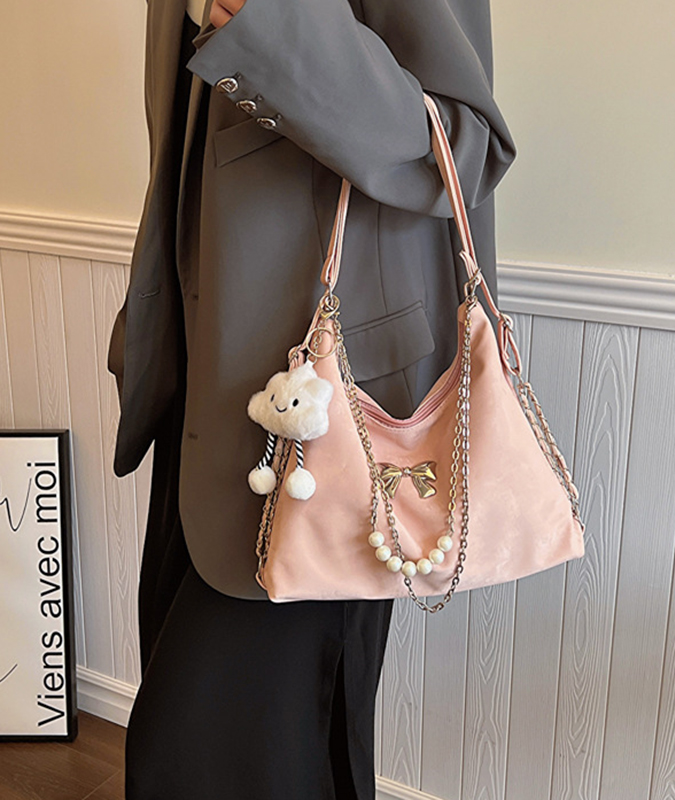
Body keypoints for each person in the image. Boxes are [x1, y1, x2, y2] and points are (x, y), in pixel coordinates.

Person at [107, 0, 516, 796]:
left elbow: (463, 145)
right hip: (201, 395)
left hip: (331, 425)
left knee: (212, 758)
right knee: (257, 753)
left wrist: (266, 23)